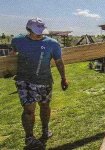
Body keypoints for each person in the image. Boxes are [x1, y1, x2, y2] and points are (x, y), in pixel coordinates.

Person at [10, 18, 68, 149]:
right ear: (28, 30)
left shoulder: (52, 43)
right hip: (24, 81)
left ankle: (45, 130)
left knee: (45, 106)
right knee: (29, 110)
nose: (40, 34)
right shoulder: (18, 41)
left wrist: (63, 78)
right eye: (36, 31)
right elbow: (11, 56)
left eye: (41, 31)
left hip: (45, 81)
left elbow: (58, 61)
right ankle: (29, 138)